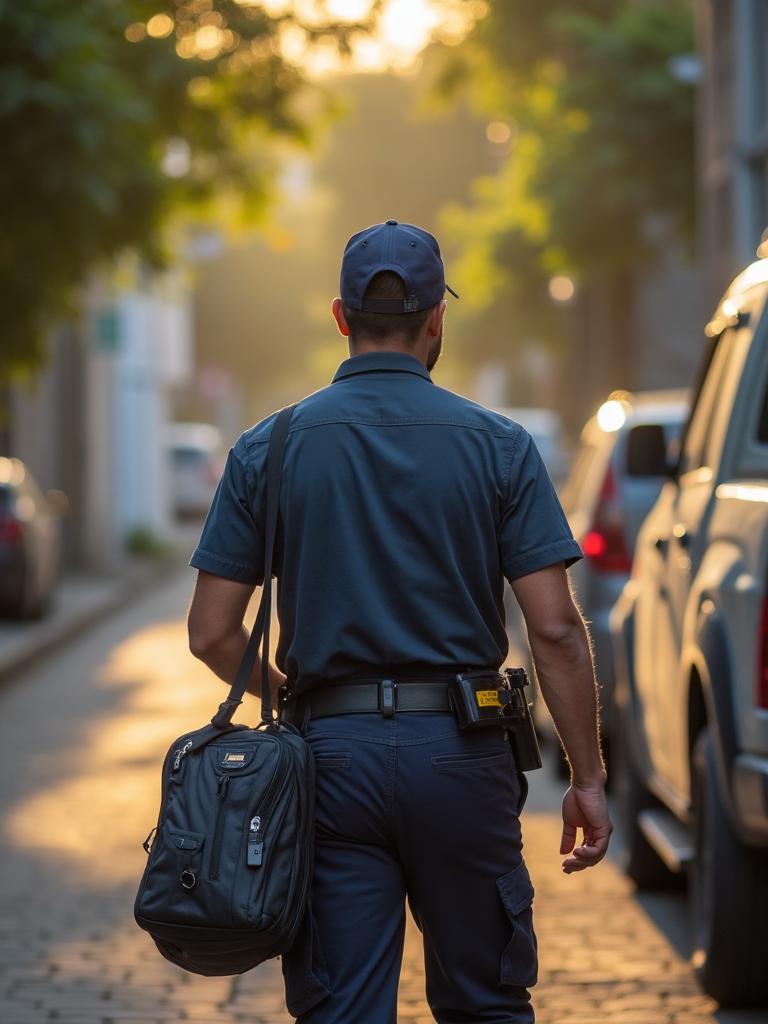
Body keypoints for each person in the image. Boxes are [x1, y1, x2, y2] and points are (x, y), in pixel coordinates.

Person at [187, 219, 612, 1024]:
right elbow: (554, 629)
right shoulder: (501, 447)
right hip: (464, 755)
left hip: (329, 762)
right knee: (486, 1003)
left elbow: (211, 632)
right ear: (437, 320)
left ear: (342, 318)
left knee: (342, 1009)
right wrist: (587, 779)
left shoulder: (266, 448)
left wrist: (291, 695)